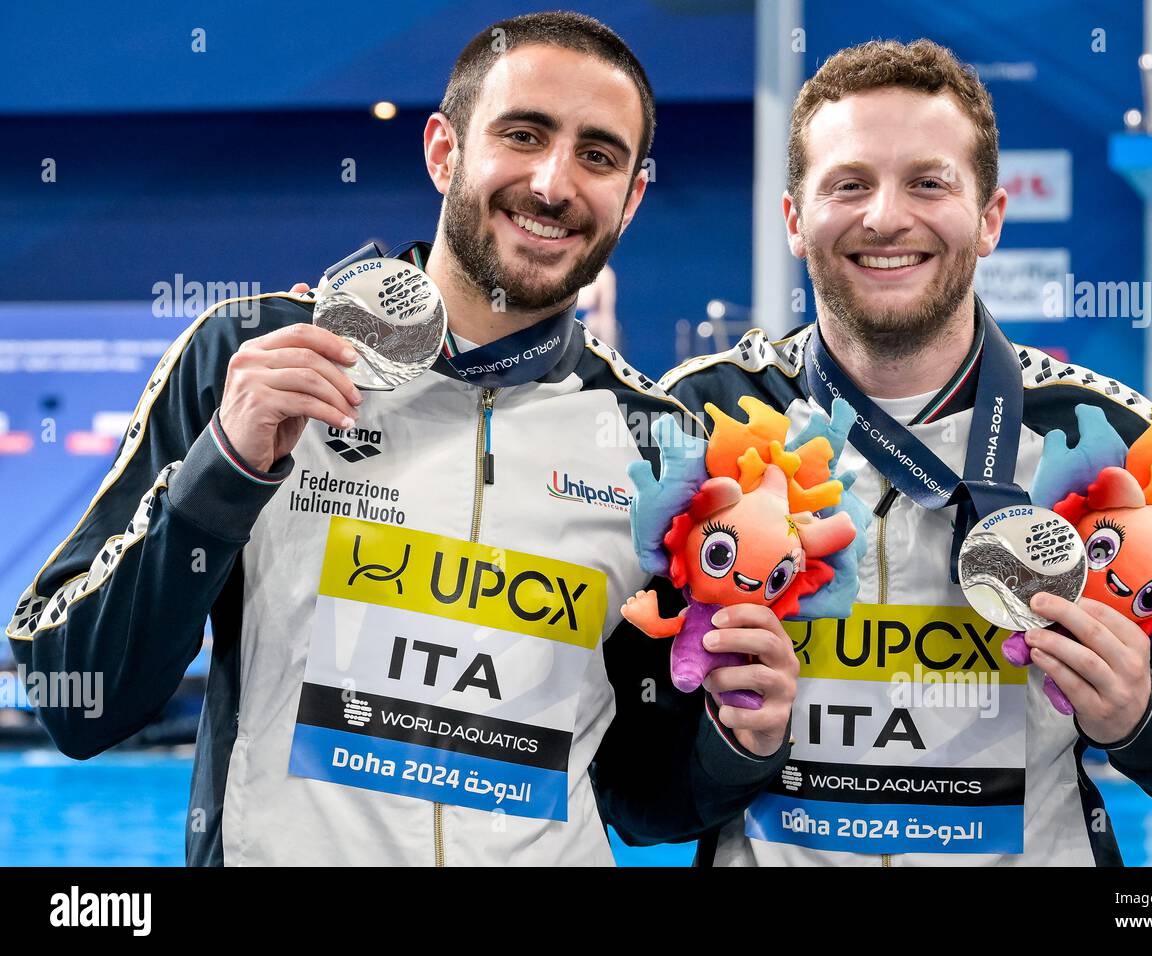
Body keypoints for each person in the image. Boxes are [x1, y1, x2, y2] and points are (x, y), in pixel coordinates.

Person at [5, 11, 797, 866]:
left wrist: (738, 741)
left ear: (633, 196)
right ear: (444, 152)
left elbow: (643, 803)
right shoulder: (253, 357)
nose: (554, 182)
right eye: (522, 134)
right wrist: (225, 470)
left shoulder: (657, 444)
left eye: (598, 156)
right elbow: (73, 699)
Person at [657, 38, 1152, 866]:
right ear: (794, 219)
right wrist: (726, 745)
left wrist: (1145, 716)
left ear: (989, 216)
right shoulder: (699, 419)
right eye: (849, 184)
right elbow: (628, 775)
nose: (886, 216)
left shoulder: (1121, 446)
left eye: (928, 182)